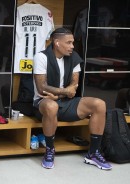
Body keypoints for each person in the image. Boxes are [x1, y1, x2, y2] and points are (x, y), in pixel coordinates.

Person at [33, 27, 112, 170]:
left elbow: (74, 86)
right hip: (44, 103)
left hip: (66, 102)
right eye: (68, 43)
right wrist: (62, 92)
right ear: (57, 43)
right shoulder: (41, 57)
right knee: (51, 106)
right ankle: (50, 150)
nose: (72, 46)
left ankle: (93, 153)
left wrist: (59, 94)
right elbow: (41, 87)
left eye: (73, 42)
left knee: (99, 104)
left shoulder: (74, 57)